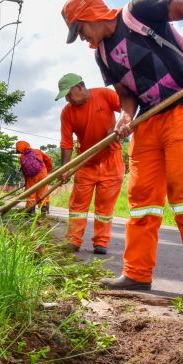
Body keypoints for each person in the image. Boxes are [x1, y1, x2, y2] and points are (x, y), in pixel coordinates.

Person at [60, 0, 183, 302]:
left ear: (92, 15)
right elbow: (124, 91)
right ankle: (136, 273)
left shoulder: (139, 10)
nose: (83, 39)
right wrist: (126, 117)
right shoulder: (101, 55)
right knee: (142, 199)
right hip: (148, 118)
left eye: (81, 31)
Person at [56, 73, 125, 254]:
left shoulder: (105, 95)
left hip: (112, 160)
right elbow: (66, 143)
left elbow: (127, 110)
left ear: (79, 87)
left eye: (69, 94)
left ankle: (101, 242)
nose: (67, 99)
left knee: (105, 206)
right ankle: (73, 240)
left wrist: (118, 126)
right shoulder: (67, 112)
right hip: (85, 163)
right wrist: (66, 168)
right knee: (78, 206)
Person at [15, 140, 54, 215]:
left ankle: (30, 212)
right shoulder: (38, 151)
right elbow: (48, 160)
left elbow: (24, 171)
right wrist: (48, 170)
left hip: (31, 177)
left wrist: (26, 182)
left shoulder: (22, 157)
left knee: (31, 193)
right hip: (43, 174)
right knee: (43, 192)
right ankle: (44, 211)